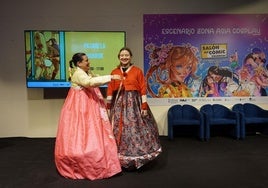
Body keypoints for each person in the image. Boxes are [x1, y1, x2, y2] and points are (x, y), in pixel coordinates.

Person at [54, 52, 122, 180]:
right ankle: (83, 159)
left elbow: (94, 79)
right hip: (80, 108)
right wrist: (111, 77)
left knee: (92, 130)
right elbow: (89, 83)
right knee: (81, 131)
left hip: (87, 106)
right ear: (79, 63)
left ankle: (100, 158)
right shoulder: (78, 73)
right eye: (86, 60)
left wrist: (109, 77)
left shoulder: (84, 72)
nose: (88, 62)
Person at [106, 47, 162, 170]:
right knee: (119, 128)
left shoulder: (137, 71)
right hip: (119, 104)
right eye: (122, 55)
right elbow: (110, 89)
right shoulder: (114, 71)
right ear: (119, 57)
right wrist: (108, 106)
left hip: (134, 104)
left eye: (126, 55)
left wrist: (144, 106)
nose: (124, 57)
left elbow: (142, 88)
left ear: (130, 57)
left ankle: (137, 155)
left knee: (135, 127)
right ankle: (119, 157)